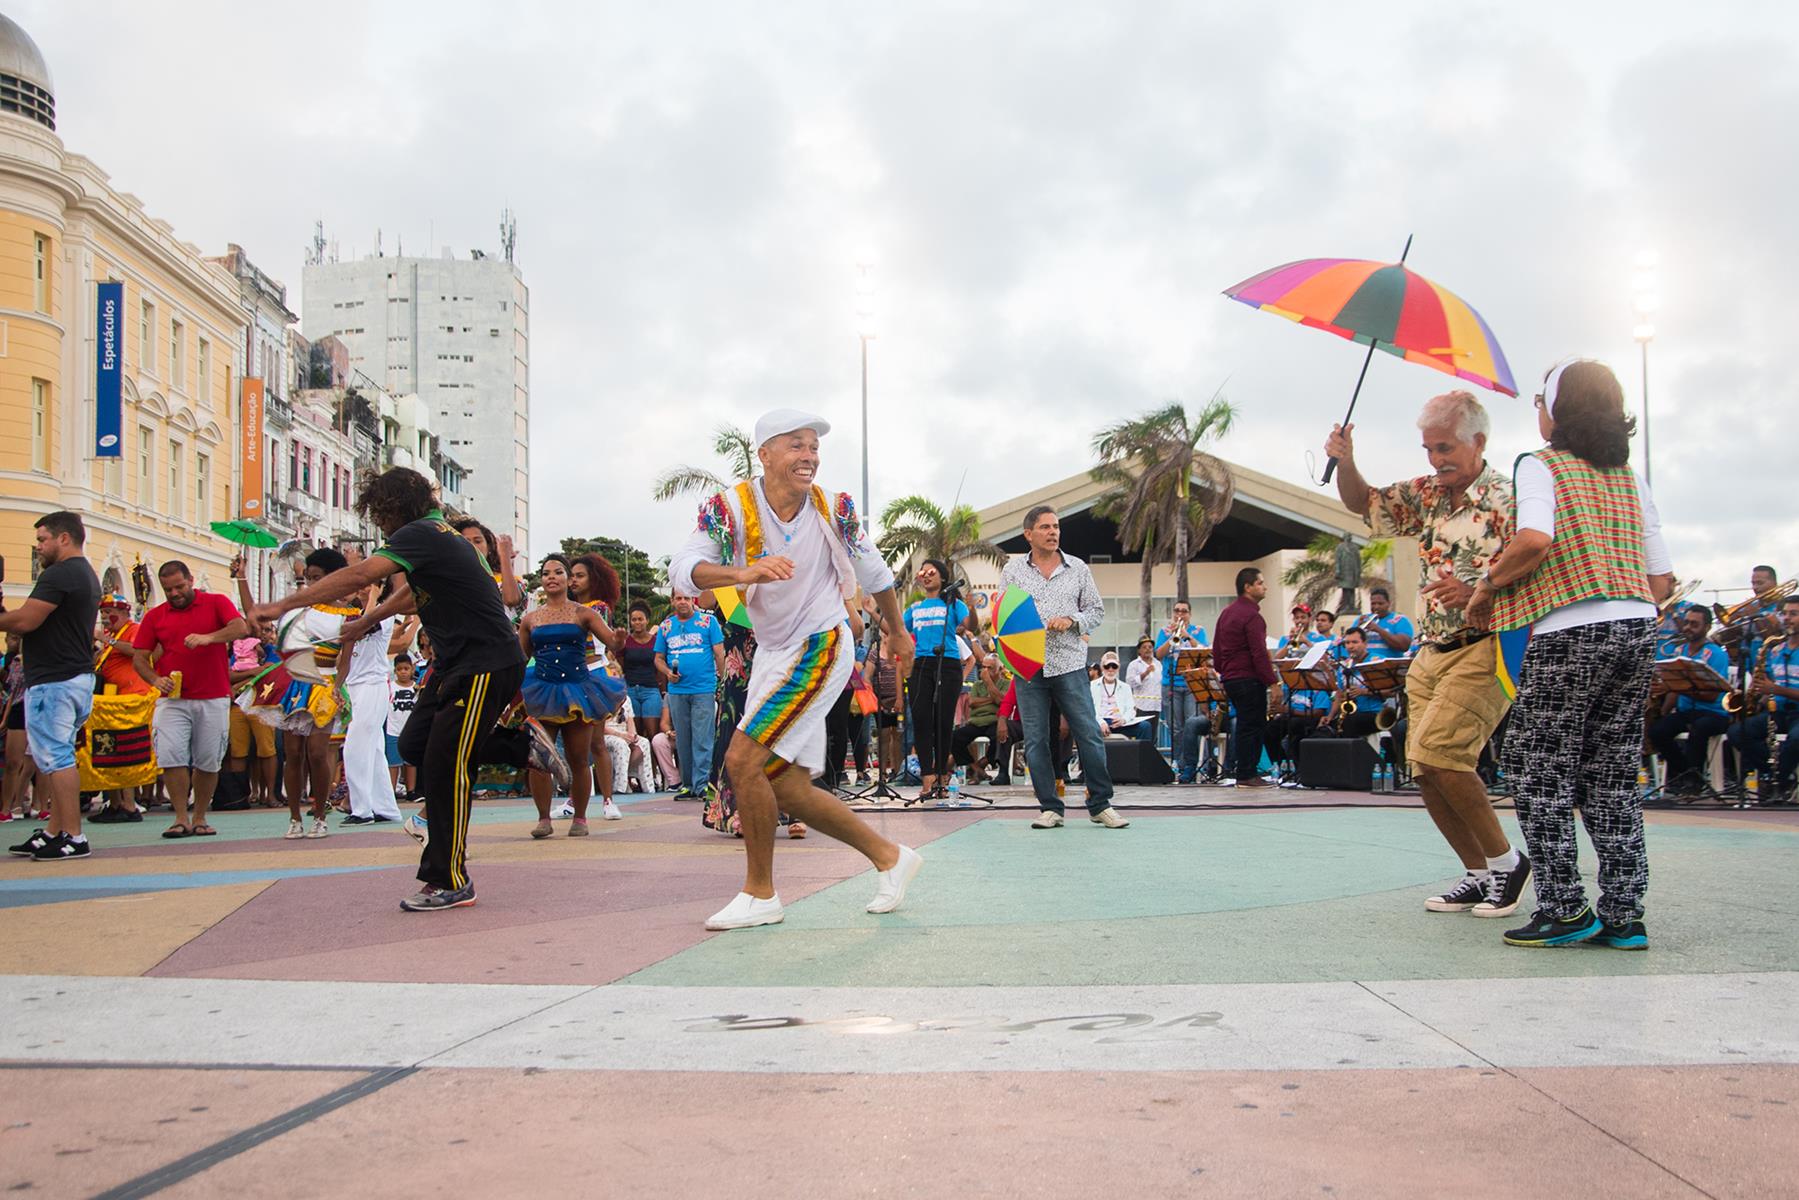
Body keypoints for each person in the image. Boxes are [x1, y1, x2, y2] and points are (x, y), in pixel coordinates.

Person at [670, 408, 921, 928]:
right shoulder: (730, 508)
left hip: (821, 644)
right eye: (796, 446)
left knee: (742, 761)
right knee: (786, 785)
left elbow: (874, 571)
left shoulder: (834, 507)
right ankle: (891, 858)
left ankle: (760, 894)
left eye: (813, 447)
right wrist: (743, 572)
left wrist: (897, 630)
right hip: (772, 653)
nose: (809, 457)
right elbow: (685, 571)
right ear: (764, 455)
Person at [1468, 359, 1673, 950]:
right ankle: (1624, 914)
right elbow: (1661, 579)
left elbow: (1534, 539)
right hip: (1637, 625)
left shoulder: (1541, 465)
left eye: (1541, 399)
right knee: (1612, 772)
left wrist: (1487, 586)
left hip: (1572, 631)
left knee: (1538, 767)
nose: (1538, 409)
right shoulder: (1631, 479)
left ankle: (1564, 908)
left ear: (1559, 409)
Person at [254, 467, 526, 912]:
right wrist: (369, 619)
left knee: (447, 768)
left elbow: (359, 575)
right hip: (455, 665)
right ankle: (520, 746)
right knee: (416, 744)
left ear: (396, 506)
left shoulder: (423, 533)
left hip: (484, 663)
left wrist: (284, 603)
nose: (380, 525)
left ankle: (451, 880)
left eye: (380, 514)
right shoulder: (440, 538)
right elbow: (416, 593)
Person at [1326, 390, 1525, 917]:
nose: (1436, 460)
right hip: (1431, 649)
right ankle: (1477, 872)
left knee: (1442, 755)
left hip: (1486, 645)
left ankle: (1508, 864)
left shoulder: (1509, 500)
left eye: (1445, 448)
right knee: (1423, 766)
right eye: (1429, 449)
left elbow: (1539, 565)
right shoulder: (1428, 493)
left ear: (1478, 441)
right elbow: (1364, 503)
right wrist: (1345, 461)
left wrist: (1480, 588)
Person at [999, 506, 1126, 829]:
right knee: (1036, 739)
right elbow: (1003, 614)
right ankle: (1050, 807)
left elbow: (1096, 611)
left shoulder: (1078, 568)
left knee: (1088, 733)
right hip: (1029, 667)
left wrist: (1072, 620)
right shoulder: (1013, 571)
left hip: (1069, 662)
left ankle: (1100, 804)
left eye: (1055, 526)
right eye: (1045, 527)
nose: (1053, 532)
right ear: (1028, 534)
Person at [2, 514, 101, 860]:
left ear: (63, 538)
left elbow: (27, 620)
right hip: (74, 677)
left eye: (42, 539)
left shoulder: (60, 573)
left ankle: (73, 835)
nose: (38, 547)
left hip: (55, 680)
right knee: (60, 756)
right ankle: (54, 831)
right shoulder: (85, 573)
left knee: (56, 758)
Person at [129, 561, 248, 839]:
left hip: (213, 696)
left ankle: (200, 816)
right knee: (171, 756)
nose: (174, 593)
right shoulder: (155, 616)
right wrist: (155, 680)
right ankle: (180, 817)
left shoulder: (216, 602)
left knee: (209, 760)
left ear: (191, 580)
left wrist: (210, 638)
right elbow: (139, 658)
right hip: (172, 699)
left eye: (179, 587)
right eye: (168, 589)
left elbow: (240, 628)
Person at [519, 554, 625, 836]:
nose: (551, 577)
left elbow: (611, 641)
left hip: (579, 690)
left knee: (579, 758)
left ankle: (580, 818)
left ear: (568, 579)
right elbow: (520, 658)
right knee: (539, 758)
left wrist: (619, 639)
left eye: (558, 572)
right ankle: (544, 819)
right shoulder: (530, 619)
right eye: (546, 573)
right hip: (541, 690)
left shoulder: (584, 613)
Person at [339, 592, 411, 826]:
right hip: (354, 685)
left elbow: (364, 626)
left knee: (355, 747)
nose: (360, 590)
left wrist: (374, 595)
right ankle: (385, 807)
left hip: (373, 684)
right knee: (375, 749)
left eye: (366, 586)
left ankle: (361, 809)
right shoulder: (352, 613)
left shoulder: (384, 611)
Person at [903, 559, 971, 801]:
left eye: (931, 571)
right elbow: (897, 629)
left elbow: (968, 625)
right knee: (921, 721)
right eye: (922, 572)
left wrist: (970, 608)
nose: (926, 575)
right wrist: (872, 611)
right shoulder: (915, 608)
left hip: (948, 664)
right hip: (921, 665)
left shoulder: (953, 604)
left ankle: (942, 776)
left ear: (942, 577)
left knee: (943, 722)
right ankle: (927, 777)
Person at [1647, 606, 1731, 794]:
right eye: (1686, 623)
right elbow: (1674, 688)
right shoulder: (1680, 650)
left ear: (1707, 627)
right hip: (1686, 711)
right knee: (1658, 731)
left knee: (1699, 729)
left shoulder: (1716, 653)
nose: (1687, 628)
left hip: (1714, 713)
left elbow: (1712, 695)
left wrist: (1675, 687)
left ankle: (1693, 782)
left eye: (1694, 624)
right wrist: (1663, 711)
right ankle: (1686, 774)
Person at [1725, 595, 1799, 802]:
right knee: (1737, 732)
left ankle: (1776, 780)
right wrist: (1760, 697)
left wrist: (1775, 689)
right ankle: (1778, 776)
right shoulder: (1776, 650)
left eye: (1793, 614)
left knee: (1796, 739)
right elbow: (1773, 685)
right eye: (1784, 614)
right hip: (1779, 711)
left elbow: (1777, 687)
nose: (1787, 618)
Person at [654, 591, 725, 800]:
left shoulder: (708, 622)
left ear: (693, 600)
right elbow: (658, 658)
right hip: (677, 691)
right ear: (672, 601)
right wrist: (668, 673)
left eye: (686, 598)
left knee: (703, 738)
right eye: (678, 598)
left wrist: (723, 681)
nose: (683, 602)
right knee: (683, 740)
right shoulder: (666, 626)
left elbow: (719, 653)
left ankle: (702, 784)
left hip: (703, 689)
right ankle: (688, 785)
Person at [90, 593, 154, 822]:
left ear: (124, 612)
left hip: (131, 699)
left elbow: (137, 650)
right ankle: (115, 803)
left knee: (126, 751)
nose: (105, 617)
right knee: (109, 751)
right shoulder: (112, 635)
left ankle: (129, 804)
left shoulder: (133, 629)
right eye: (103, 612)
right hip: (112, 699)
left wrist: (107, 641)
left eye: (109, 612)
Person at [1213, 568, 1276, 788]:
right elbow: (1259, 652)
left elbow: (1217, 649)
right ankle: (1247, 774)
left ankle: (1244, 772)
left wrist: (1224, 671)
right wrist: (1273, 682)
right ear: (1247, 587)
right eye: (1260, 583)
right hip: (1249, 678)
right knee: (1253, 726)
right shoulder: (1252, 616)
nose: (1264, 587)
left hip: (1232, 678)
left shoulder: (1227, 613)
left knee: (1244, 725)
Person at [1154, 601, 1210, 781]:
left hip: (1192, 684)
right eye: (1177, 611)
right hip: (1170, 684)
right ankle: (1179, 763)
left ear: (1189, 614)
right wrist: (1173, 637)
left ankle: (1195, 765)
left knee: (1191, 724)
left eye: (1184, 611)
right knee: (1176, 728)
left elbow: (1205, 652)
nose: (1180, 614)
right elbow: (1158, 654)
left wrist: (1187, 636)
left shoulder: (1198, 631)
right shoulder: (1164, 631)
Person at [950, 651, 1009, 782]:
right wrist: (992, 699)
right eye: (984, 667)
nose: (985, 671)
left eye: (990, 668)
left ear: (1000, 669)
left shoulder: (1006, 684)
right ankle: (976, 768)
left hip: (994, 721)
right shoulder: (977, 684)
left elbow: (1001, 701)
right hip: (976, 722)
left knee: (999, 737)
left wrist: (988, 683)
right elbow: (972, 702)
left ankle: (982, 764)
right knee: (954, 737)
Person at [618, 600, 666, 741]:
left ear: (647, 620)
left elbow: (660, 668)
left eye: (640, 619)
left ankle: (654, 757)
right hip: (630, 690)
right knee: (636, 735)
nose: (637, 622)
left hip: (651, 690)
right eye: (634, 620)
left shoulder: (656, 641)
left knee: (653, 734)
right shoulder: (625, 642)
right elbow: (620, 668)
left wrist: (663, 691)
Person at [1091, 650, 1141, 739]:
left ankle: (1143, 749)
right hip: (1098, 722)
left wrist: (1123, 719)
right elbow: (1089, 709)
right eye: (1107, 666)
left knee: (1145, 727)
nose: (1110, 670)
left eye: (1114, 666)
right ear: (1102, 668)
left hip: (1119, 722)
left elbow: (1131, 709)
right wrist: (1101, 722)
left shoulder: (1125, 687)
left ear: (1118, 668)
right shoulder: (1092, 686)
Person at [388, 654, 418, 799]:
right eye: (399, 669)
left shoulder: (417, 687)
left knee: (410, 762)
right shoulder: (390, 687)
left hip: (411, 730)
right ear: (395, 671)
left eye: (406, 669)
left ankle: (411, 791)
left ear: (412, 669)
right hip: (393, 730)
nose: (403, 672)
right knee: (393, 763)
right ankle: (391, 791)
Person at [1357, 588, 1414, 661]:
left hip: (1390, 665)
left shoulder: (1400, 620)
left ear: (1388, 603)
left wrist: (1378, 630)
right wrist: (1357, 629)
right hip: (1364, 664)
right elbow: (1348, 643)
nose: (1376, 607)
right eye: (1373, 604)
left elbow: (1404, 646)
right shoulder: (1362, 619)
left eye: (1380, 603)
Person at [1124, 636, 1161, 742]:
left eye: (1150, 647)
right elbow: (1130, 683)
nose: (1148, 649)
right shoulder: (1134, 665)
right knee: (1143, 734)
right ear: (1139, 650)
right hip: (1141, 706)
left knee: (1153, 735)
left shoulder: (1158, 664)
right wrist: (1145, 673)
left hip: (1156, 706)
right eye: (1144, 647)